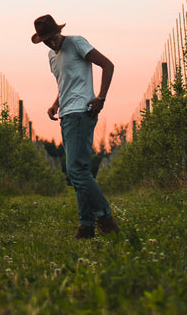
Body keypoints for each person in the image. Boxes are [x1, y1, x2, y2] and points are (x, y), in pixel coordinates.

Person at [32, 13, 118, 238]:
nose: (51, 42)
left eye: (52, 37)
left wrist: (101, 98)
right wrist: (55, 104)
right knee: (80, 170)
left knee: (76, 171)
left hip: (82, 112)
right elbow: (65, 85)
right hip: (67, 115)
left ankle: (105, 218)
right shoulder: (51, 56)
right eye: (45, 40)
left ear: (59, 31)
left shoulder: (76, 43)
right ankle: (86, 225)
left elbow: (107, 65)